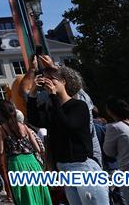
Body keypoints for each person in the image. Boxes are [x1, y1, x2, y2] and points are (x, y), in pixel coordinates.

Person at [26, 60, 109, 205]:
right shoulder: (53, 109)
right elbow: (35, 120)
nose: (48, 83)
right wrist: (32, 93)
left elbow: (68, 125)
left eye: (52, 79)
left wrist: (53, 97)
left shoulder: (79, 106)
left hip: (83, 166)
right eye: (45, 80)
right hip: (64, 168)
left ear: (63, 81)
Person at [0, 101, 51, 205]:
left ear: (2, 114)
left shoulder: (1, 128)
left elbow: (0, 151)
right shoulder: (24, 126)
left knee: (25, 196)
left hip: (17, 164)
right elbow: (38, 148)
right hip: (33, 163)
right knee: (39, 192)